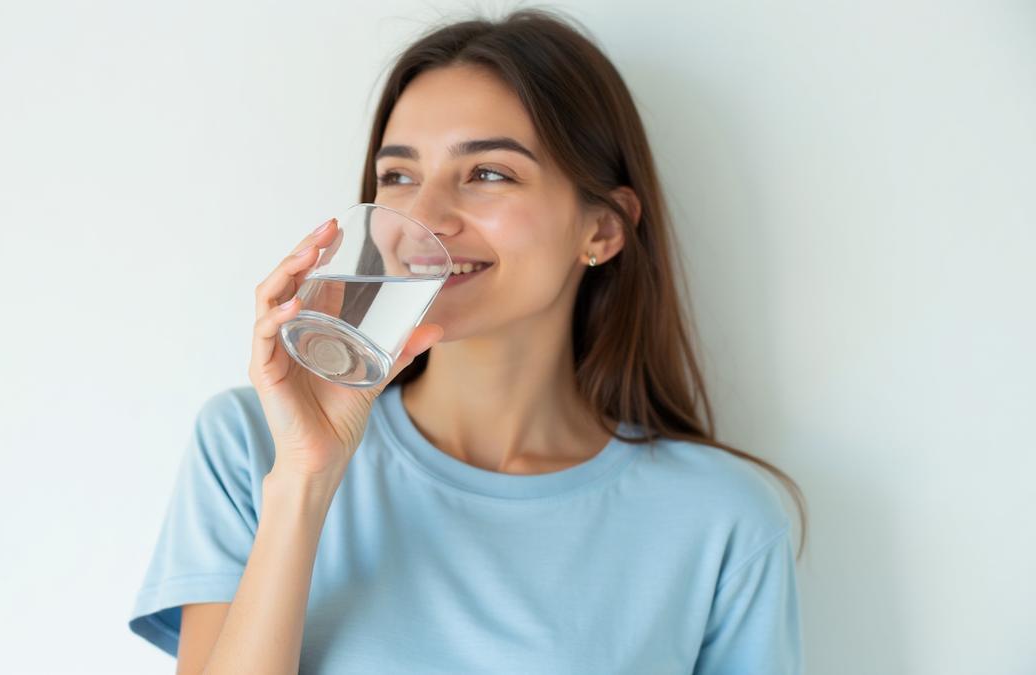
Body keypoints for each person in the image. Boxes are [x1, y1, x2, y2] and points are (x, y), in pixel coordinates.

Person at [128, 8, 806, 674]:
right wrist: (306, 479)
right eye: (398, 176)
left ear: (602, 228)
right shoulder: (252, 444)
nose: (423, 217)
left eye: (488, 173)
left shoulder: (724, 519)